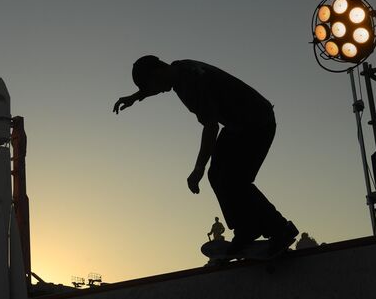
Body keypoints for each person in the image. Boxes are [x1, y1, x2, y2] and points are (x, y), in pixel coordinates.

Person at [113, 55, 298, 255]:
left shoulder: (191, 85)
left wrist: (198, 168)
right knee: (217, 176)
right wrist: (136, 96)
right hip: (240, 124)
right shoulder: (180, 68)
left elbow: (211, 127)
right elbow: (155, 85)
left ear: (158, 73)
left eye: (154, 85)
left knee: (235, 179)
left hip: (257, 123)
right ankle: (247, 228)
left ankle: (279, 228)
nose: (157, 91)